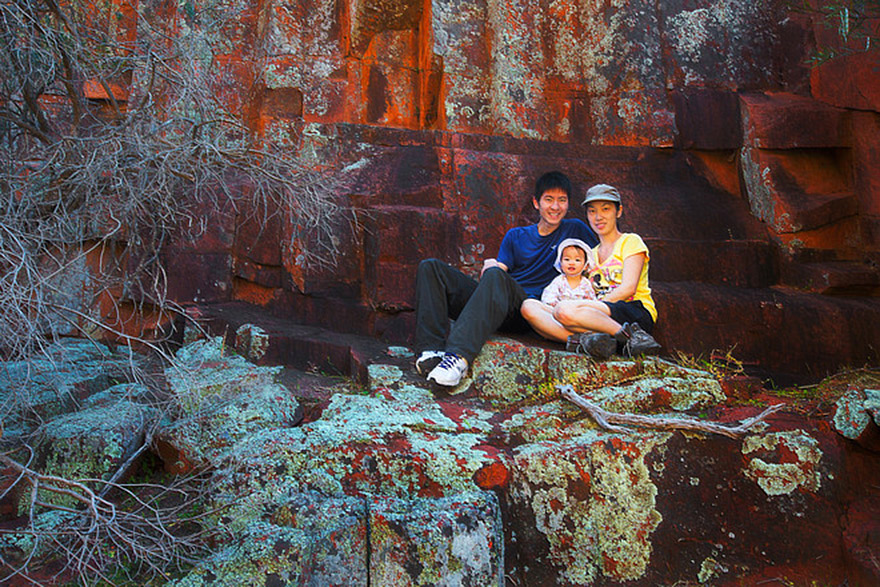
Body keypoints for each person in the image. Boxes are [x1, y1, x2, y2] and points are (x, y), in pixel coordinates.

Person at [413, 171, 598, 386]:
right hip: (498, 302)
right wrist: (489, 264)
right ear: (536, 203)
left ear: (568, 204)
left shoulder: (575, 229)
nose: (555, 207)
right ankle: (430, 351)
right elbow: (498, 269)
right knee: (431, 268)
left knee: (496, 276)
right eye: (549, 199)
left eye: (562, 200)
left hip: (528, 310)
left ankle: (458, 357)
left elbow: (604, 253)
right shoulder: (516, 235)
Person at [549, 184, 661, 359]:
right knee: (530, 307)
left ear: (618, 211)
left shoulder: (630, 241)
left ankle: (634, 337)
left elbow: (628, 289)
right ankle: (600, 341)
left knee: (564, 310)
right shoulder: (589, 255)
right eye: (592, 211)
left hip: (632, 311)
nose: (598, 217)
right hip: (596, 314)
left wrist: (590, 307)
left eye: (605, 209)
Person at [520, 238, 597, 340]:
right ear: (560, 263)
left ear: (585, 265)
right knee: (530, 304)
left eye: (577, 260)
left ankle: (581, 337)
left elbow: (592, 303)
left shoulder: (586, 284)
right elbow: (549, 297)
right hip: (557, 315)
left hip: (577, 319)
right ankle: (571, 338)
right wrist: (557, 308)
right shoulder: (559, 281)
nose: (571, 263)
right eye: (567, 259)